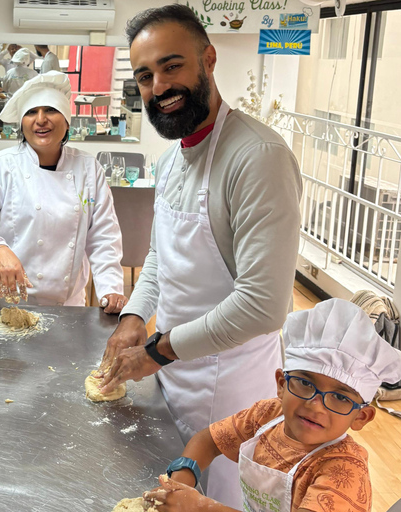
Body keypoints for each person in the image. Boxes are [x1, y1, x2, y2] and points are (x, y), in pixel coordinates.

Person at [97, 5, 303, 507]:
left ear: (208, 59)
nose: (159, 86)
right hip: (170, 371)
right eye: (145, 75)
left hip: (228, 388)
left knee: (215, 501)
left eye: (172, 66)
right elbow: (162, 259)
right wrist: (133, 316)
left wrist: (157, 350)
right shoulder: (171, 160)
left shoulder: (257, 158)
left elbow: (262, 305)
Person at [145, 299, 401, 512]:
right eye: (305, 383)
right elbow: (208, 441)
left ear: (362, 417)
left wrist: (200, 506)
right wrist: (180, 482)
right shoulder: (267, 416)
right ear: (281, 384)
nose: (316, 406)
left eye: (340, 397)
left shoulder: (344, 471)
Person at [0, 71, 127, 312]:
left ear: (67, 121)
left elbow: (103, 236)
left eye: (51, 110)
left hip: (65, 306)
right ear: (22, 123)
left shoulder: (89, 170)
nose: (41, 119)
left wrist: (111, 288)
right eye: (32, 112)